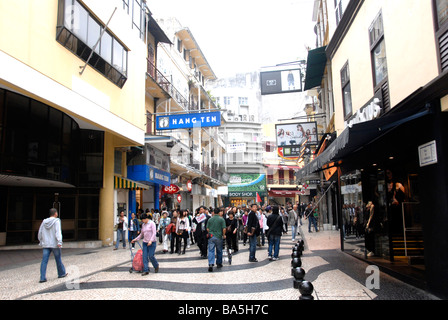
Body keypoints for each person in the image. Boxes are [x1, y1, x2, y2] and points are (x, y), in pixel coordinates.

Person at [38, 208, 68, 283]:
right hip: (54, 244)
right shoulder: (57, 221)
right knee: (58, 259)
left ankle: (42, 277)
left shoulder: (44, 222)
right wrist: (59, 242)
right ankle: (61, 273)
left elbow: (40, 232)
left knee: (44, 261)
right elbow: (58, 231)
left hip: (46, 244)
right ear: (55, 213)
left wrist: (41, 241)